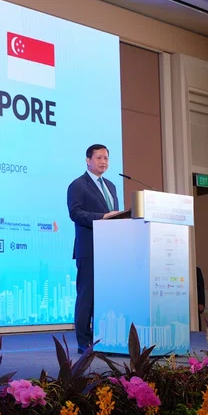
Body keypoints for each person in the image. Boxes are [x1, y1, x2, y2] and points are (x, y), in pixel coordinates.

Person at [67, 144, 123, 353]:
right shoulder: (78, 185)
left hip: (109, 250)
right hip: (89, 249)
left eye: (106, 158)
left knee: (105, 297)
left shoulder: (111, 185)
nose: (103, 162)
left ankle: (103, 338)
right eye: (99, 157)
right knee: (87, 296)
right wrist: (102, 217)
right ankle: (84, 341)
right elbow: (76, 213)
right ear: (87, 160)